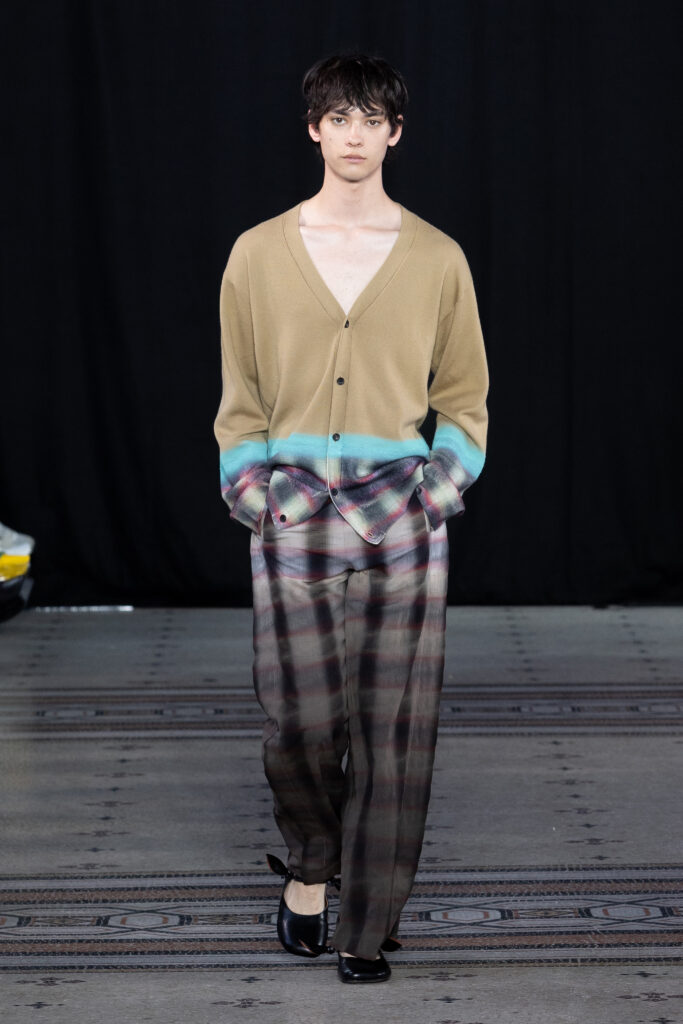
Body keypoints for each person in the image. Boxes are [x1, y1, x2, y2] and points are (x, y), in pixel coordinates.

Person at [214, 53, 489, 983]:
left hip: (402, 524)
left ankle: (366, 926)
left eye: (373, 119)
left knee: (393, 735)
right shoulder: (258, 254)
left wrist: (431, 497)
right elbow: (240, 401)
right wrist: (257, 498)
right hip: (292, 519)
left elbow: (465, 402)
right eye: (339, 117)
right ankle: (311, 863)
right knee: (296, 726)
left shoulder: (437, 258)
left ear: (395, 133)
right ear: (313, 129)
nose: (356, 135)